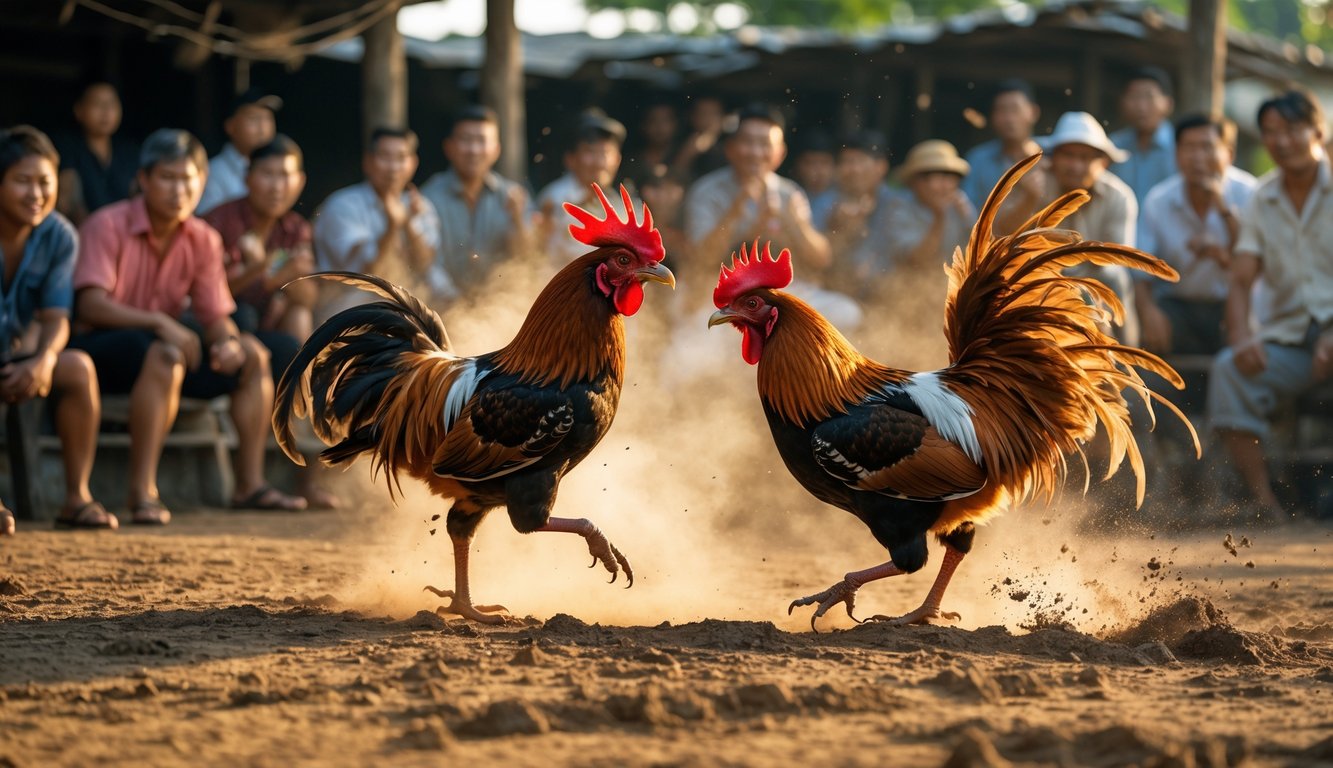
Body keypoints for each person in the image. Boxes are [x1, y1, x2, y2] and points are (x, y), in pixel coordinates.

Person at [69, 128, 307, 525]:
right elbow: (90, 306)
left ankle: (250, 484)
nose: (179, 189)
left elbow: (214, 315)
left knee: (253, 354)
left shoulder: (202, 238)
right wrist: (161, 323)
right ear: (143, 181)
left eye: (188, 179)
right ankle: (142, 492)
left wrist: (229, 341)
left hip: (167, 353)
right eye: (167, 178)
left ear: (202, 182)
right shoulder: (106, 225)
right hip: (104, 348)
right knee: (165, 352)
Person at [1207, 90, 1333, 519]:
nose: (1281, 141)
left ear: (1318, 132)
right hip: (1294, 341)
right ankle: (1264, 502)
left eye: (1292, 129)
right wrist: (1242, 337)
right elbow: (1241, 279)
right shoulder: (1261, 198)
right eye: (1271, 132)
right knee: (1229, 368)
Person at [0, 126, 113, 534]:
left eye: (44, 182)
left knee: (77, 367)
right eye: (21, 181)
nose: (35, 194)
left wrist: (44, 362)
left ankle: (76, 498)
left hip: (20, 354)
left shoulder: (59, 234)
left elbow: (57, 317)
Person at [685, 103, 858, 330]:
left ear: (780, 153)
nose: (756, 152)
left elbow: (821, 260)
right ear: (730, 148)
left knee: (848, 312)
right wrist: (736, 214)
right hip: (724, 295)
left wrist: (794, 223)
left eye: (765, 144)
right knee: (695, 335)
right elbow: (701, 259)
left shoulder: (790, 193)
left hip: (783, 295)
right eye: (748, 142)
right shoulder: (707, 192)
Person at [1135, 115, 1257, 359]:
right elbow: (1139, 270)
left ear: (1229, 154)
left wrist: (1222, 207)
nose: (1197, 157)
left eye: (1207, 147)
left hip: (1236, 304)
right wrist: (1148, 311)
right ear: (1177, 155)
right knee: (1149, 350)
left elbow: (1256, 266)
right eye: (1188, 148)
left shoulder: (1251, 194)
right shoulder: (1159, 200)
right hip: (1177, 305)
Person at [312, 127, 454, 322]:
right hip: (349, 314)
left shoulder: (421, 206)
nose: (393, 167)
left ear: (413, 164)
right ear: (368, 162)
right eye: (385, 157)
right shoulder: (342, 206)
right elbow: (370, 276)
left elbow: (425, 265)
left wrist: (409, 225)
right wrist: (393, 227)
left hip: (409, 311)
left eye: (401, 158)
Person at [1034, 111, 1139, 345]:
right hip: (1042, 278)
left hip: (1096, 277)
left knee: (1116, 277)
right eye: (1068, 155)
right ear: (1053, 158)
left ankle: (1125, 357)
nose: (1076, 165)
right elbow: (1012, 240)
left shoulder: (1119, 196)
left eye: (1085, 157)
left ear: (1103, 161)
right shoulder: (1035, 188)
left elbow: (1118, 256)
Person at [419, 105, 532, 298]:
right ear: (449, 147)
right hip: (438, 307)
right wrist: (451, 301)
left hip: (499, 305)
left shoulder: (513, 196)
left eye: (482, 141)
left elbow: (525, 259)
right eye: (466, 140)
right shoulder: (428, 197)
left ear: (496, 149)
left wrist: (518, 221)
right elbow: (425, 264)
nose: (473, 150)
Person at [818, 130, 906, 302]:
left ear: (881, 166)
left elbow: (909, 256)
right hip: (836, 292)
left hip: (890, 294)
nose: (853, 169)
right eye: (846, 162)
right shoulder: (825, 202)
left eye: (860, 161)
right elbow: (815, 257)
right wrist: (837, 228)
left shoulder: (899, 204)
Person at [536, 109, 627, 269]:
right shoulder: (554, 200)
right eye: (590, 152)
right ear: (570, 159)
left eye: (606, 152)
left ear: (618, 160)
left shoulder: (620, 206)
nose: (600, 162)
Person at [54, 79, 138, 226]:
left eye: (112, 104)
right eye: (97, 104)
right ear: (79, 110)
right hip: (84, 233)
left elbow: (137, 198)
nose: (106, 111)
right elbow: (70, 202)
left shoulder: (129, 151)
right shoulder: (68, 148)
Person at [885, 140, 975, 274]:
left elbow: (984, 249)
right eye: (938, 178)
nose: (945, 186)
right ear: (915, 182)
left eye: (950, 178)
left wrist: (970, 219)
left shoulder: (961, 204)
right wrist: (939, 218)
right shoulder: (898, 208)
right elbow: (916, 260)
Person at [197, 88, 281, 215]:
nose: (262, 127)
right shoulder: (213, 174)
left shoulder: (279, 168)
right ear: (230, 126)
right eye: (254, 119)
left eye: (268, 118)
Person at [962, 79, 1043, 210]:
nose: (1009, 118)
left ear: (1033, 112)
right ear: (992, 117)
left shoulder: (1052, 154)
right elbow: (969, 213)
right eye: (1002, 110)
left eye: (1015, 109)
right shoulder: (978, 160)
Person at [1110, 67, 1177, 212]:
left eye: (1149, 97)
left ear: (1168, 104)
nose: (1141, 106)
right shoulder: (1112, 147)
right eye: (1134, 97)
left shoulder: (1180, 147)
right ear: (1122, 103)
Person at [622, 98, 681, 188]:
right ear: (643, 126)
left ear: (675, 124)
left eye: (665, 120)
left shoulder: (682, 155)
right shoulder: (632, 162)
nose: (659, 127)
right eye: (653, 120)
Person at [672, 93, 728, 183]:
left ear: (723, 117)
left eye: (714, 114)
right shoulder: (681, 144)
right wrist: (689, 152)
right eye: (703, 114)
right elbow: (673, 177)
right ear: (693, 117)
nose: (709, 119)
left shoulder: (731, 143)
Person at [791, 129, 838, 228]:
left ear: (835, 165)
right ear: (798, 166)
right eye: (810, 163)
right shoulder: (789, 196)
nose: (818, 170)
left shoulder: (842, 199)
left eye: (824, 162)